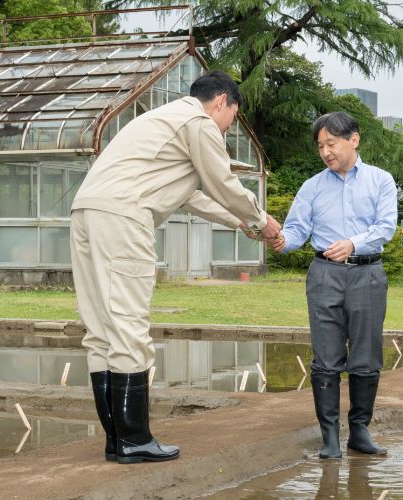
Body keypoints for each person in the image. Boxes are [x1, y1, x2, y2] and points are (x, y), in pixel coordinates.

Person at [70, 70, 281, 464]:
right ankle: (135, 440)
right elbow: (222, 182)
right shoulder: (198, 123)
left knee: (101, 330)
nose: (227, 127)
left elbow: (193, 196)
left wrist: (242, 222)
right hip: (124, 216)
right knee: (130, 325)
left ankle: (117, 441)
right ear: (222, 102)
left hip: (88, 212)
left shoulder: (160, 121)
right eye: (231, 118)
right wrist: (261, 220)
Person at [270, 111, 397, 459]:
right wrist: (281, 239)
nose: (326, 151)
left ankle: (360, 431)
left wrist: (354, 244)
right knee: (326, 358)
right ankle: (329, 438)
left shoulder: (380, 181)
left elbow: (385, 228)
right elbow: (296, 230)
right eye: (320, 146)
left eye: (332, 143)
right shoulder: (312, 186)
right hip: (324, 274)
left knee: (367, 356)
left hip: (366, 273)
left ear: (353, 139)